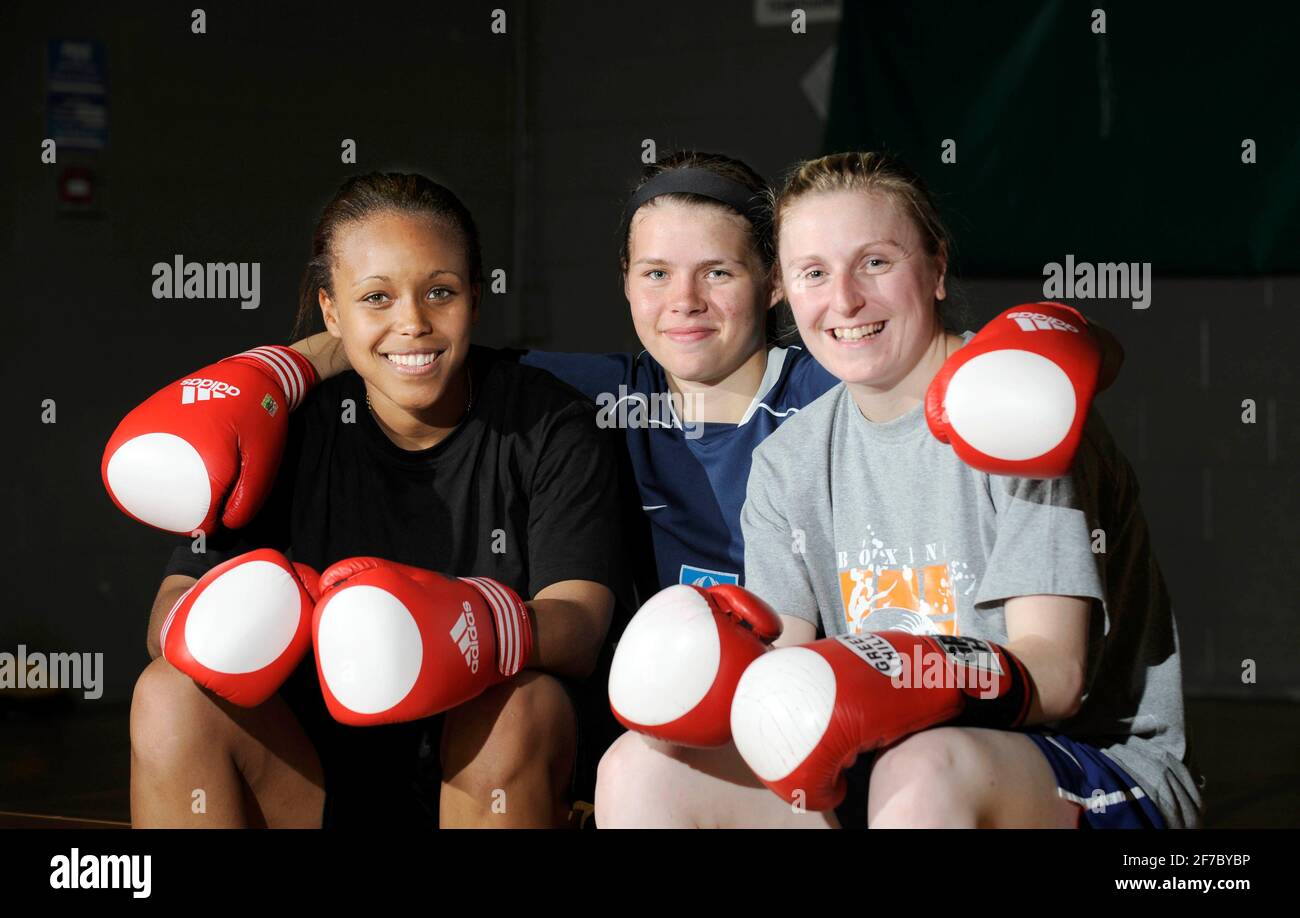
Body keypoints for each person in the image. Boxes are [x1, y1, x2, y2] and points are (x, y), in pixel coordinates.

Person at [596, 151, 1202, 829]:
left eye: (876, 262)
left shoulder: (1015, 411)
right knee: (640, 769)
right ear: (786, 292)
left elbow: (1057, 676)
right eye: (814, 273)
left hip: (1086, 764)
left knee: (921, 771)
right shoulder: (788, 462)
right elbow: (786, 678)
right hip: (882, 760)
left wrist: (901, 675)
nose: (846, 300)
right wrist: (708, 677)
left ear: (937, 267)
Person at [113, 172, 626, 827]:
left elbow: (578, 626)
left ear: (475, 294)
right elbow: (166, 614)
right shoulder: (289, 428)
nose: (412, 323)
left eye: (440, 292)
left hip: (486, 772)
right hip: (317, 779)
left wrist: (475, 625)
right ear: (331, 312)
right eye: (376, 297)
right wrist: (223, 627)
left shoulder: (548, 424)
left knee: (517, 708)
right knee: (168, 694)